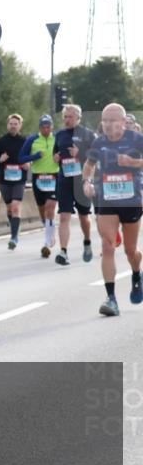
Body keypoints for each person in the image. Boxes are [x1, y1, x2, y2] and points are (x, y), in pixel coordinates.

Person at [82, 103, 143, 317]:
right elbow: (88, 165)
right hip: (107, 200)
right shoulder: (99, 142)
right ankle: (112, 298)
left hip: (132, 200)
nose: (107, 124)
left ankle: (136, 272)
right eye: (104, 120)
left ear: (123, 121)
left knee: (130, 251)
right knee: (108, 247)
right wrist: (87, 182)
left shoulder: (136, 140)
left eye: (112, 120)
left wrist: (133, 162)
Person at [52, 104, 95, 265]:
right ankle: (63, 252)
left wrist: (81, 154)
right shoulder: (60, 134)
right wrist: (55, 158)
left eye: (70, 116)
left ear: (78, 117)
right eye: (65, 117)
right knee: (64, 216)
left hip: (81, 181)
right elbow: (55, 155)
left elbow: (95, 158)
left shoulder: (88, 135)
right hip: (65, 180)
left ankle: (87, 241)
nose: (67, 120)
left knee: (84, 216)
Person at [19, 115, 60, 258]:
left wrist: (60, 156)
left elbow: (68, 155)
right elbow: (21, 158)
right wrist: (35, 156)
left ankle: (48, 241)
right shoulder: (32, 139)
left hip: (55, 176)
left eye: (48, 127)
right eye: (43, 127)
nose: (46, 129)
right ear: (39, 128)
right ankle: (49, 229)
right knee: (42, 210)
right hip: (38, 178)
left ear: (52, 127)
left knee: (50, 207)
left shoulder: (58, 138)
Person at [0, 114, 29, 249]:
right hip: (5, 179)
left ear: (20, 125)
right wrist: (0, 159)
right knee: (10, 208)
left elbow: (31, 157)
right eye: (11, 123)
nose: (13, 126)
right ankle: (15, 227)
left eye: (15, 124)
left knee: (16, 207)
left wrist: (28, 163)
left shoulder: (25, 141)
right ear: (7, 125)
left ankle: (14, 237)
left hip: (19, 179)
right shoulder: (1, 142)